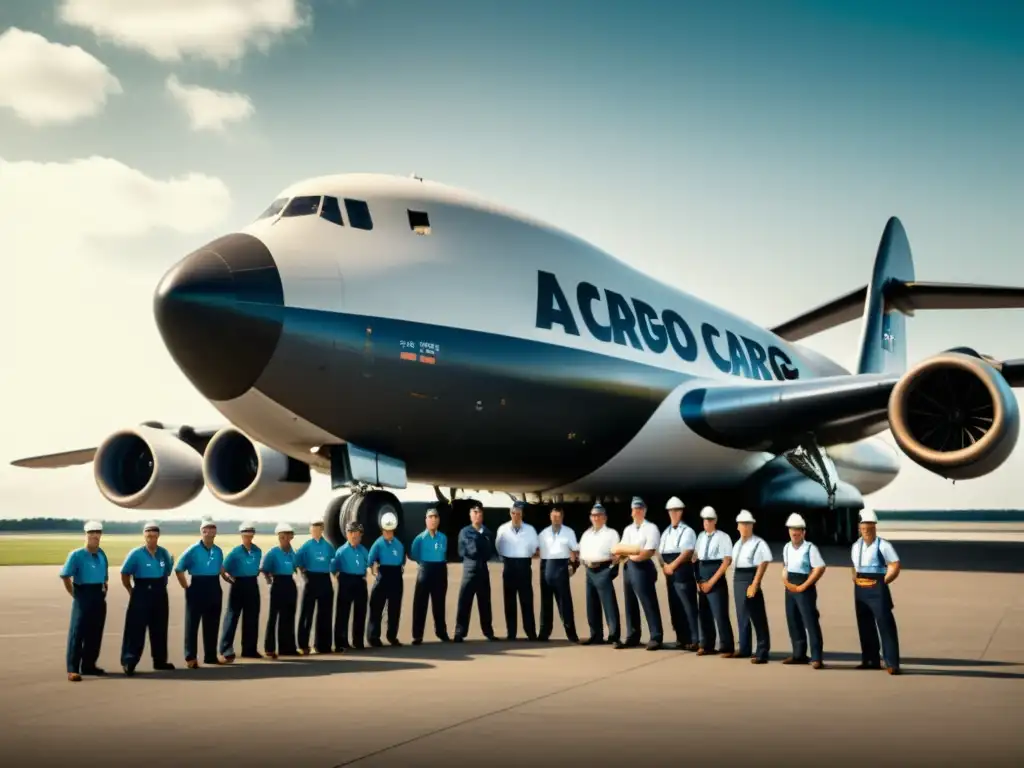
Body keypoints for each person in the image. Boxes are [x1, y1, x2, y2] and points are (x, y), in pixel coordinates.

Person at [120, 522, 175, 675]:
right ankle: (129, 661)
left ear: (158, 536)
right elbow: (125, 573)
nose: (151, 538)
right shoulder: (136, 553)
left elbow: (167, 571)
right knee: (135, 628)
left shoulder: (164, 553)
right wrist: (131, 590)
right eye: (148, 535)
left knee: (160, 628)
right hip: (141, 590)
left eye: (154, 535)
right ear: (144, 536)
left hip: (159, 592)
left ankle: (160, 661)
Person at [852, 509, 902, 674]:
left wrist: (884, 581)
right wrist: (855, 579)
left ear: (875, 527)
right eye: (863, 528)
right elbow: (853, 565)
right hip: (860, 587)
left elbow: (894, 564)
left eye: (869, 528)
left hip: (877, 585)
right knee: (864, 624)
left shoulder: (884, 545)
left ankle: (892, 662)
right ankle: (870, 659)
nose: (866, 531)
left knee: (885, 624)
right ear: (859, 528)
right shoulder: (856, 546)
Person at [60, 521, 109, 682]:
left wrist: (104, 590)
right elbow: (66, 576)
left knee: (95, 633)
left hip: (98, 595)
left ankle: (89, 665)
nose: (95, 535)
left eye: (98, 532)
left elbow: (105, 577)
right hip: (83, 594)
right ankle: (73, 669)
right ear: (86, 534)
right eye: (91, 532)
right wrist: (74, 593)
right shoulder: (77, 555)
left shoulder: (102, 554)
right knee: (78, 632)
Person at [174, 518, 225, 668]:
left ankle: (210, 656)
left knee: (212, 623)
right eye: (206, 529)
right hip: (197, 586)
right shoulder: (193, 550)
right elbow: (179, 568)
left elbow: (219, 566)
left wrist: (226, 576)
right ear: (202, 531)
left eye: (212, 528)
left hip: (214, 586)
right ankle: (190, 657)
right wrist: (186, 587)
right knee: (192, 624)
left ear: (215, 531)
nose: (209, 531)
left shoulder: (218, 550)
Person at [616, 497, 663, 651]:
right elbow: (622, 548)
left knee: (648, 602)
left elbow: (649, 551)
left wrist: (633, 554)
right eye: (635, 509)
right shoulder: (628, 529)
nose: (637, 512)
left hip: (642, 566)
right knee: (630, 603)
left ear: (644, 511)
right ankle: (632, 635)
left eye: (640, 509)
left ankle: (656, 636)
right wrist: (629, 553)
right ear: (631, 512)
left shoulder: (651, 528)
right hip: (628, 567)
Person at [781, 513, 826, 669]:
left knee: (810, 621)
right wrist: (785, 581)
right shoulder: (787, 547)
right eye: (793, 529)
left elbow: (819, 568)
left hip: (805, 587)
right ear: (789, 531)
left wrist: (805, 585)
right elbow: (786, 566)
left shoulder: (810, 548)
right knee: (793, 620)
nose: (795, 532)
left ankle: (817, 657)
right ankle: (798, 654)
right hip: (790, 587)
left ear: (804, 532)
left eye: (798, 529)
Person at [658, 497, 699, 651]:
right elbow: (659, 551)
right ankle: (681, 638)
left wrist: (672, 566)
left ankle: (695, 639)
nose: (673, 513)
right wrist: (664, 566)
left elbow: (687, 552)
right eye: (671, 511)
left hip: (681, 569)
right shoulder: (666, 532)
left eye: (676, 510)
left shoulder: (688, 531)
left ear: (681, 512)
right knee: (675, 606)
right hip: (669, 570)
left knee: (688, 606)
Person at [693, 507, 736, 656]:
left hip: (715, 576)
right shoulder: (700, 537)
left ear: (715, 520)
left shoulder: (723, 537)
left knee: (720, 614)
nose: (707, 522)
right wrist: (698, 579)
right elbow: (696, 558)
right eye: (705, 520)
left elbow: (726, 561)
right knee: (704, 614)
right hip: (702, 573)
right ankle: (706, 644)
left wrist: (711, 581)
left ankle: (727, 646)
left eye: (710, 520)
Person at [731, 510, 772, 664]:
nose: (745, 527)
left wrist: (755, 583)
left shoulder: (759, 543)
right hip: (738, 579)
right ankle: (744, 648)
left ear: (752, 525)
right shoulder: (737, 544)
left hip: (750, 577)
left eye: (748, 524)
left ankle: (762, 650)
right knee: (742, 615)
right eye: (742, 524)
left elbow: (764, 562)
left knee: (757, 615)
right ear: (738, 527)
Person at [494, 500, 539, 641]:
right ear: (510, 513)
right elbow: (498, 547)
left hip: (524, 566)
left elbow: (534, 548)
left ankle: (530, 632)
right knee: (509, 602)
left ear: (522, 514)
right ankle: (511, 633)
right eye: (513, 513)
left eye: (518, 514)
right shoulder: (502, 529)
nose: (516, 516)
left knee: (527, 601)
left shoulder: (530, 530)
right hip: (509, 566)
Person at [578, 503, 621, 645]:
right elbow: (580, 551)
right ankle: (596, 634)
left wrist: (610, 570)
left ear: (605, 518)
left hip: (603, 568)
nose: (596, 518)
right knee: (592, 604)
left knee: (609, 604)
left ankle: (614, 636)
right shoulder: (587, 534)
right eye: (594, 515)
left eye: (599, 515)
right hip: (589, 570)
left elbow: (616, 554)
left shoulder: (611, 534)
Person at [219, 521, 263, 662]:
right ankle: (226, 648)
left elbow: (256, 568)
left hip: (252, 584)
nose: (248, 537)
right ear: (241, 535)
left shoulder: (258, 551)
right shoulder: (235, 552)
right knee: (232, 617)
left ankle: (249, 649)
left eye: (250, 534)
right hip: (238, 584)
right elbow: (223, 568)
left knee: (252, 617)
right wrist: (227, 579)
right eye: (245, 534)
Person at [454, 502, 498, 642]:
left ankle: (488, 631)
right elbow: (466, 550)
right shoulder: (465, 532)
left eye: (479, 513)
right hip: (469, 569)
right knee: (464, 602)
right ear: (470, 516)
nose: (477, 515)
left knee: (485, 602)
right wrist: (479, 544)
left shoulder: (487, 532)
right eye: (474, 513)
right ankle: (460, 632)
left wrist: (479, 545)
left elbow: (489, 552)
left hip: (483, 569)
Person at [537, 505, 580, 642]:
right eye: (554, 516)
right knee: (546, 603)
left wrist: (573, 566)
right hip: (546, 567)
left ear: (562, 517)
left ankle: (571, 634)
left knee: (565, 603)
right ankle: (544, 633)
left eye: (558, 517)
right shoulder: (544, 533)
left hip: (561, 568)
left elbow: (574, 551)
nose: (556, 519)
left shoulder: (569, 532)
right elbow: (538, 551)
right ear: (550, 517)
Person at [409, 507, 450, 644]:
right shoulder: (419, 539)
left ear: (438, 520)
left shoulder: (443, 538)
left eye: (435, 517)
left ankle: (441, 632)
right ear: (426, 520)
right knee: (420, 604)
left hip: (440, 570)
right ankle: (417, 635)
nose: (433, 520)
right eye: (430, 517)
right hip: (425, 569)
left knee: (439, 603)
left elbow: (444, 553)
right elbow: (414, 554)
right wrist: (424, 563)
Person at [367, 512, 406, 647]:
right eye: (386, 531)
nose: (388, 533)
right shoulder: (377, 544)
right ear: (382, 530)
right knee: (376, 607)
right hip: (383, 575)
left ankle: (392, 636)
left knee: (394, 609)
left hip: (396, 576)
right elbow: (370, 561)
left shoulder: (399, 545)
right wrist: (374, 569)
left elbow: (402, 562)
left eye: (390, 531)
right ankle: (373, 637)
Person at [296, 519, 335, 655]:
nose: (314, 532)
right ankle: (303, 645)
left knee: (325, 614)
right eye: (312, 530)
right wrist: (304, 573)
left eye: (317, 529)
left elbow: (334, 561)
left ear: (322, 530)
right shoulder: (306, 546)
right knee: (307, 613)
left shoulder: (328, 547)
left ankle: (323, 645)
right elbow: (297, 560)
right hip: (311, 578)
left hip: (325, 579)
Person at [260, 522, 299, 658]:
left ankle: (287, 648)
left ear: (291, 537)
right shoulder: (273, 552)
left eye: (288, 536)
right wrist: (269, 579)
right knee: (273, 616)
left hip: (289, 582)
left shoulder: (293, 552)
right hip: (278, 583)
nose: (285, 539)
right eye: (283, 537)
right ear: (279, 537)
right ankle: (269, 648)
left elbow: (296, 566)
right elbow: (264, 568)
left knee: (288, 616)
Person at [331, 520, 369, 651]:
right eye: (351, 533)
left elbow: (369, 564)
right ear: (347, 534)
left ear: (361, 535)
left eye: (357, 533)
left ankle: (358, 641)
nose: (354, 536)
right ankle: (340, 642)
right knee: (343, 613)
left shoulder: (364, 550)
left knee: (360, 612)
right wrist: (338, 577)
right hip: (346, 580)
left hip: (360, 581)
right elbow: (333, 567)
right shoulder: (341, 551)